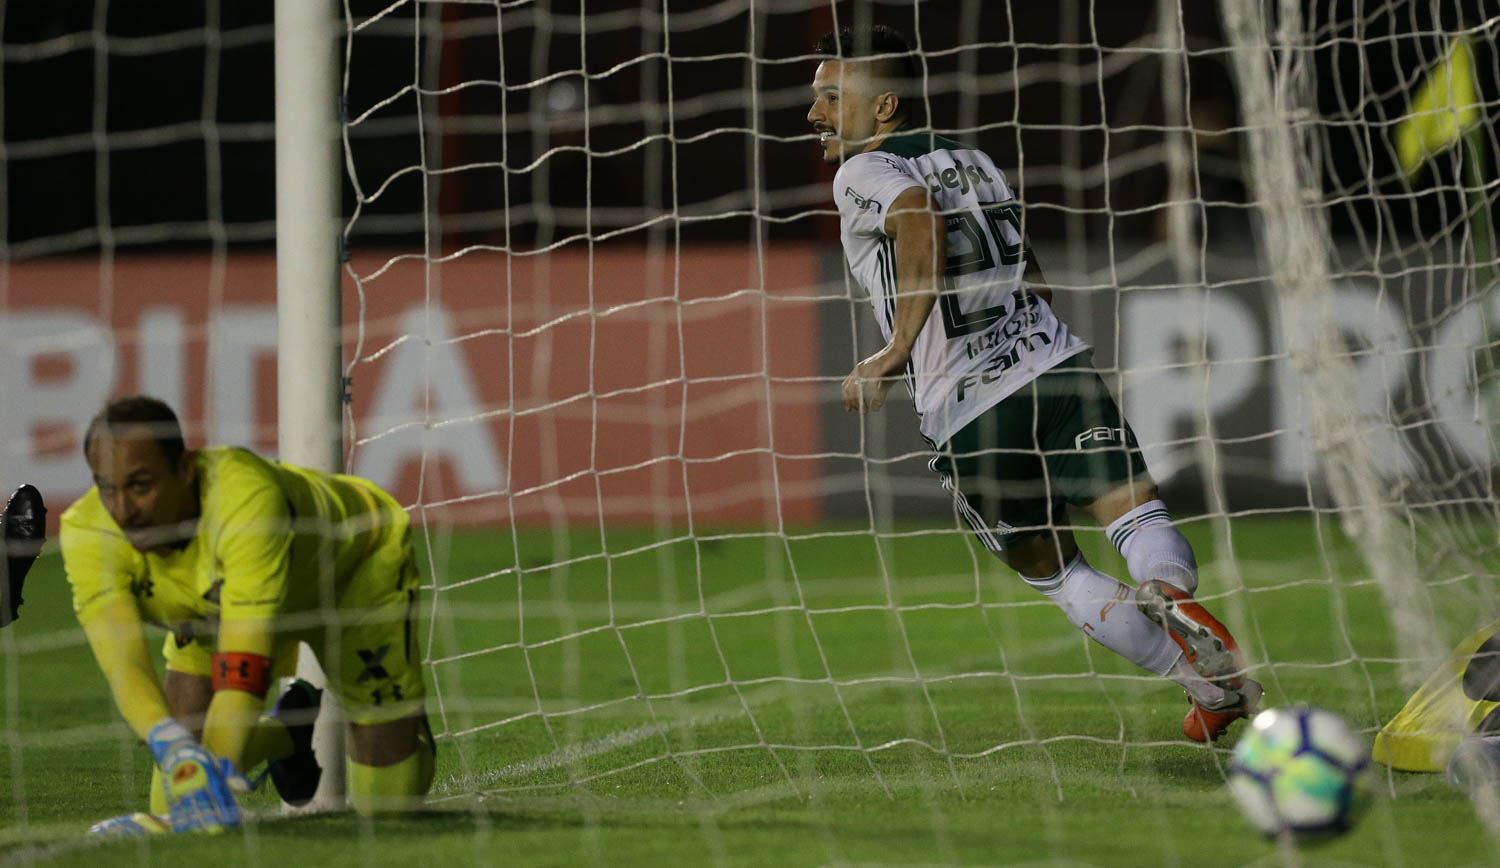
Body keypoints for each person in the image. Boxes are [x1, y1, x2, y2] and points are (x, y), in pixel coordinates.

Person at [807, 26, 1261, 742]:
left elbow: (916, 218)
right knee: (1136, 516)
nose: (816, 114)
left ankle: (1202, 677)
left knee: (1055, 571)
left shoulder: (860, 173)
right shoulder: (974, 158)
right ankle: (1176, 603)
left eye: (832, 98)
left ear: (883, 105)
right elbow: (1027, 265)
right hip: (1051, 363)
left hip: (967, 405)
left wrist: (893, 352)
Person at [60, 396, 434, 835]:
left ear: (185, 470)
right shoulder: (87, 531)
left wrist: (207, 780)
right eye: (107, 488)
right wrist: (170, 745)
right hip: (218, 607)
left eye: (141, 486)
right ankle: (285, 735)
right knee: (171, 791)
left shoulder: (246, 502)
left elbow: (244, 670)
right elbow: (124, 663)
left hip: (351, 573)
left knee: (387, 810)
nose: (123, 510)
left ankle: (403, 723)